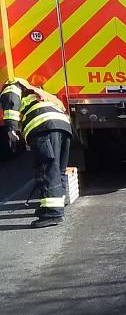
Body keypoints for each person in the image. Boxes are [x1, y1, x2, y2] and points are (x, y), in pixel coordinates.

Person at [1, 77, 72, 228]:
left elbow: (11, 100)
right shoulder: (37, 92)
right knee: (58, 169)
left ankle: (52, 213)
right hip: (64, 126)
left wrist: (11, 128)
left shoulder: (12, 84)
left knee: (47, 169)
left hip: (43, 125)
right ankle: (59, 202)